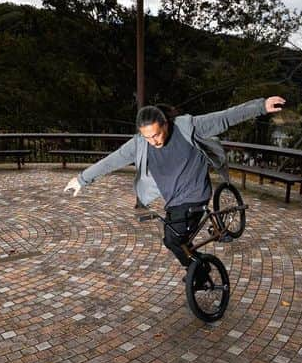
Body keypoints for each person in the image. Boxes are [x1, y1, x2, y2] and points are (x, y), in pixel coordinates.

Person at [64, 96, 285, 275]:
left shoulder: (189, 127)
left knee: (172, 240)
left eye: (157, 134)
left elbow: (226, 117)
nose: (154, 142)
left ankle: (199, 271)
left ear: (166, 124)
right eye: (148, 137)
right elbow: (113, 159)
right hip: (173, 201)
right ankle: (198, 265)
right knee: (176, 241)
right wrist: (82, 179)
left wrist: (261, 106)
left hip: (195, 193)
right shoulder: (141, 143)